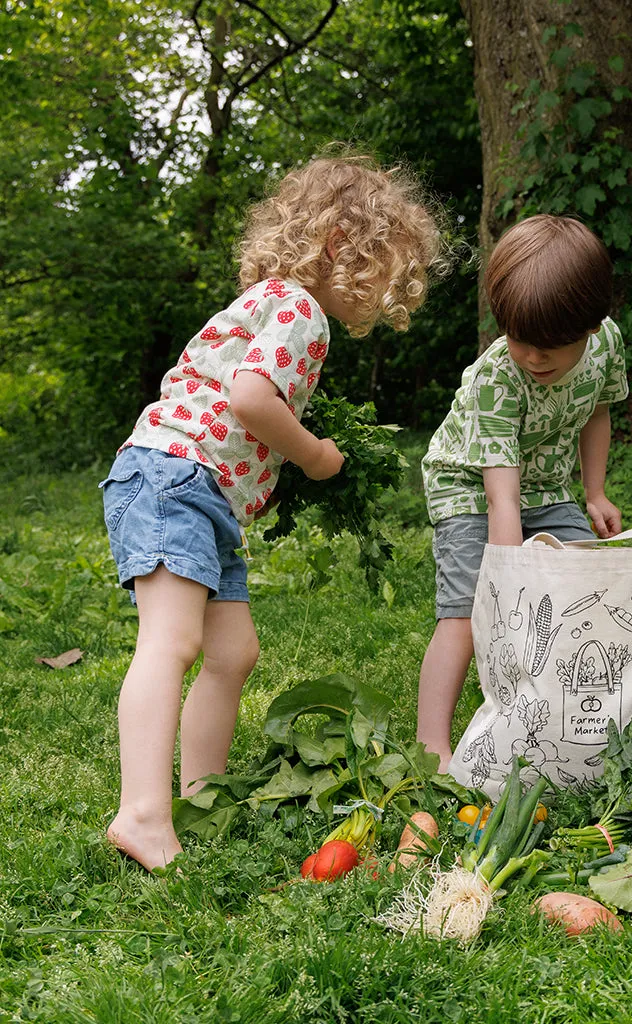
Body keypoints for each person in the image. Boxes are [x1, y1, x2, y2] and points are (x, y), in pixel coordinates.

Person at [99, 151, 444, 871]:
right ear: (343, 247)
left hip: (201, 490)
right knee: (173, 641)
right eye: (384, 274)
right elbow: (252, 399)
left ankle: (201, 794)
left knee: (234, 652)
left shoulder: (274, 301)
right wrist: (314, 454)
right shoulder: (301, 310)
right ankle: (141, 813)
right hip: (174, 475)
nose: (382, 300)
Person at [418, 214, 629, 772]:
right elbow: (500, 499)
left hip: (549, 485)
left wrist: (596, 492)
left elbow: (598, 412)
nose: (533, 357)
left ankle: (568, 719)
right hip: (470, 485)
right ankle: (432, 744)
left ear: (591, 325)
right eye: (519, 340)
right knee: (467, 611)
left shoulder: (606, 345)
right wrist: (506, 574)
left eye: (550, 345)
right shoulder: (497, 379)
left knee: (586, 595)